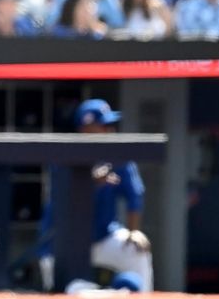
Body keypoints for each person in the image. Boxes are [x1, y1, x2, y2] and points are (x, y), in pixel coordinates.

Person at [74, 99, 153, 292]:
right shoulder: (65, 155)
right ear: (85, 130)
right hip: (66, 241)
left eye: (111, 125)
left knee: (137, 250)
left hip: (104, 236)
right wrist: (91, 184)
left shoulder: (118, 155)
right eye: (103, 125)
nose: (110, 130)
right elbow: (64, 204)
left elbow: (135, 194)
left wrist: (134, 231)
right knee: (71, 289)